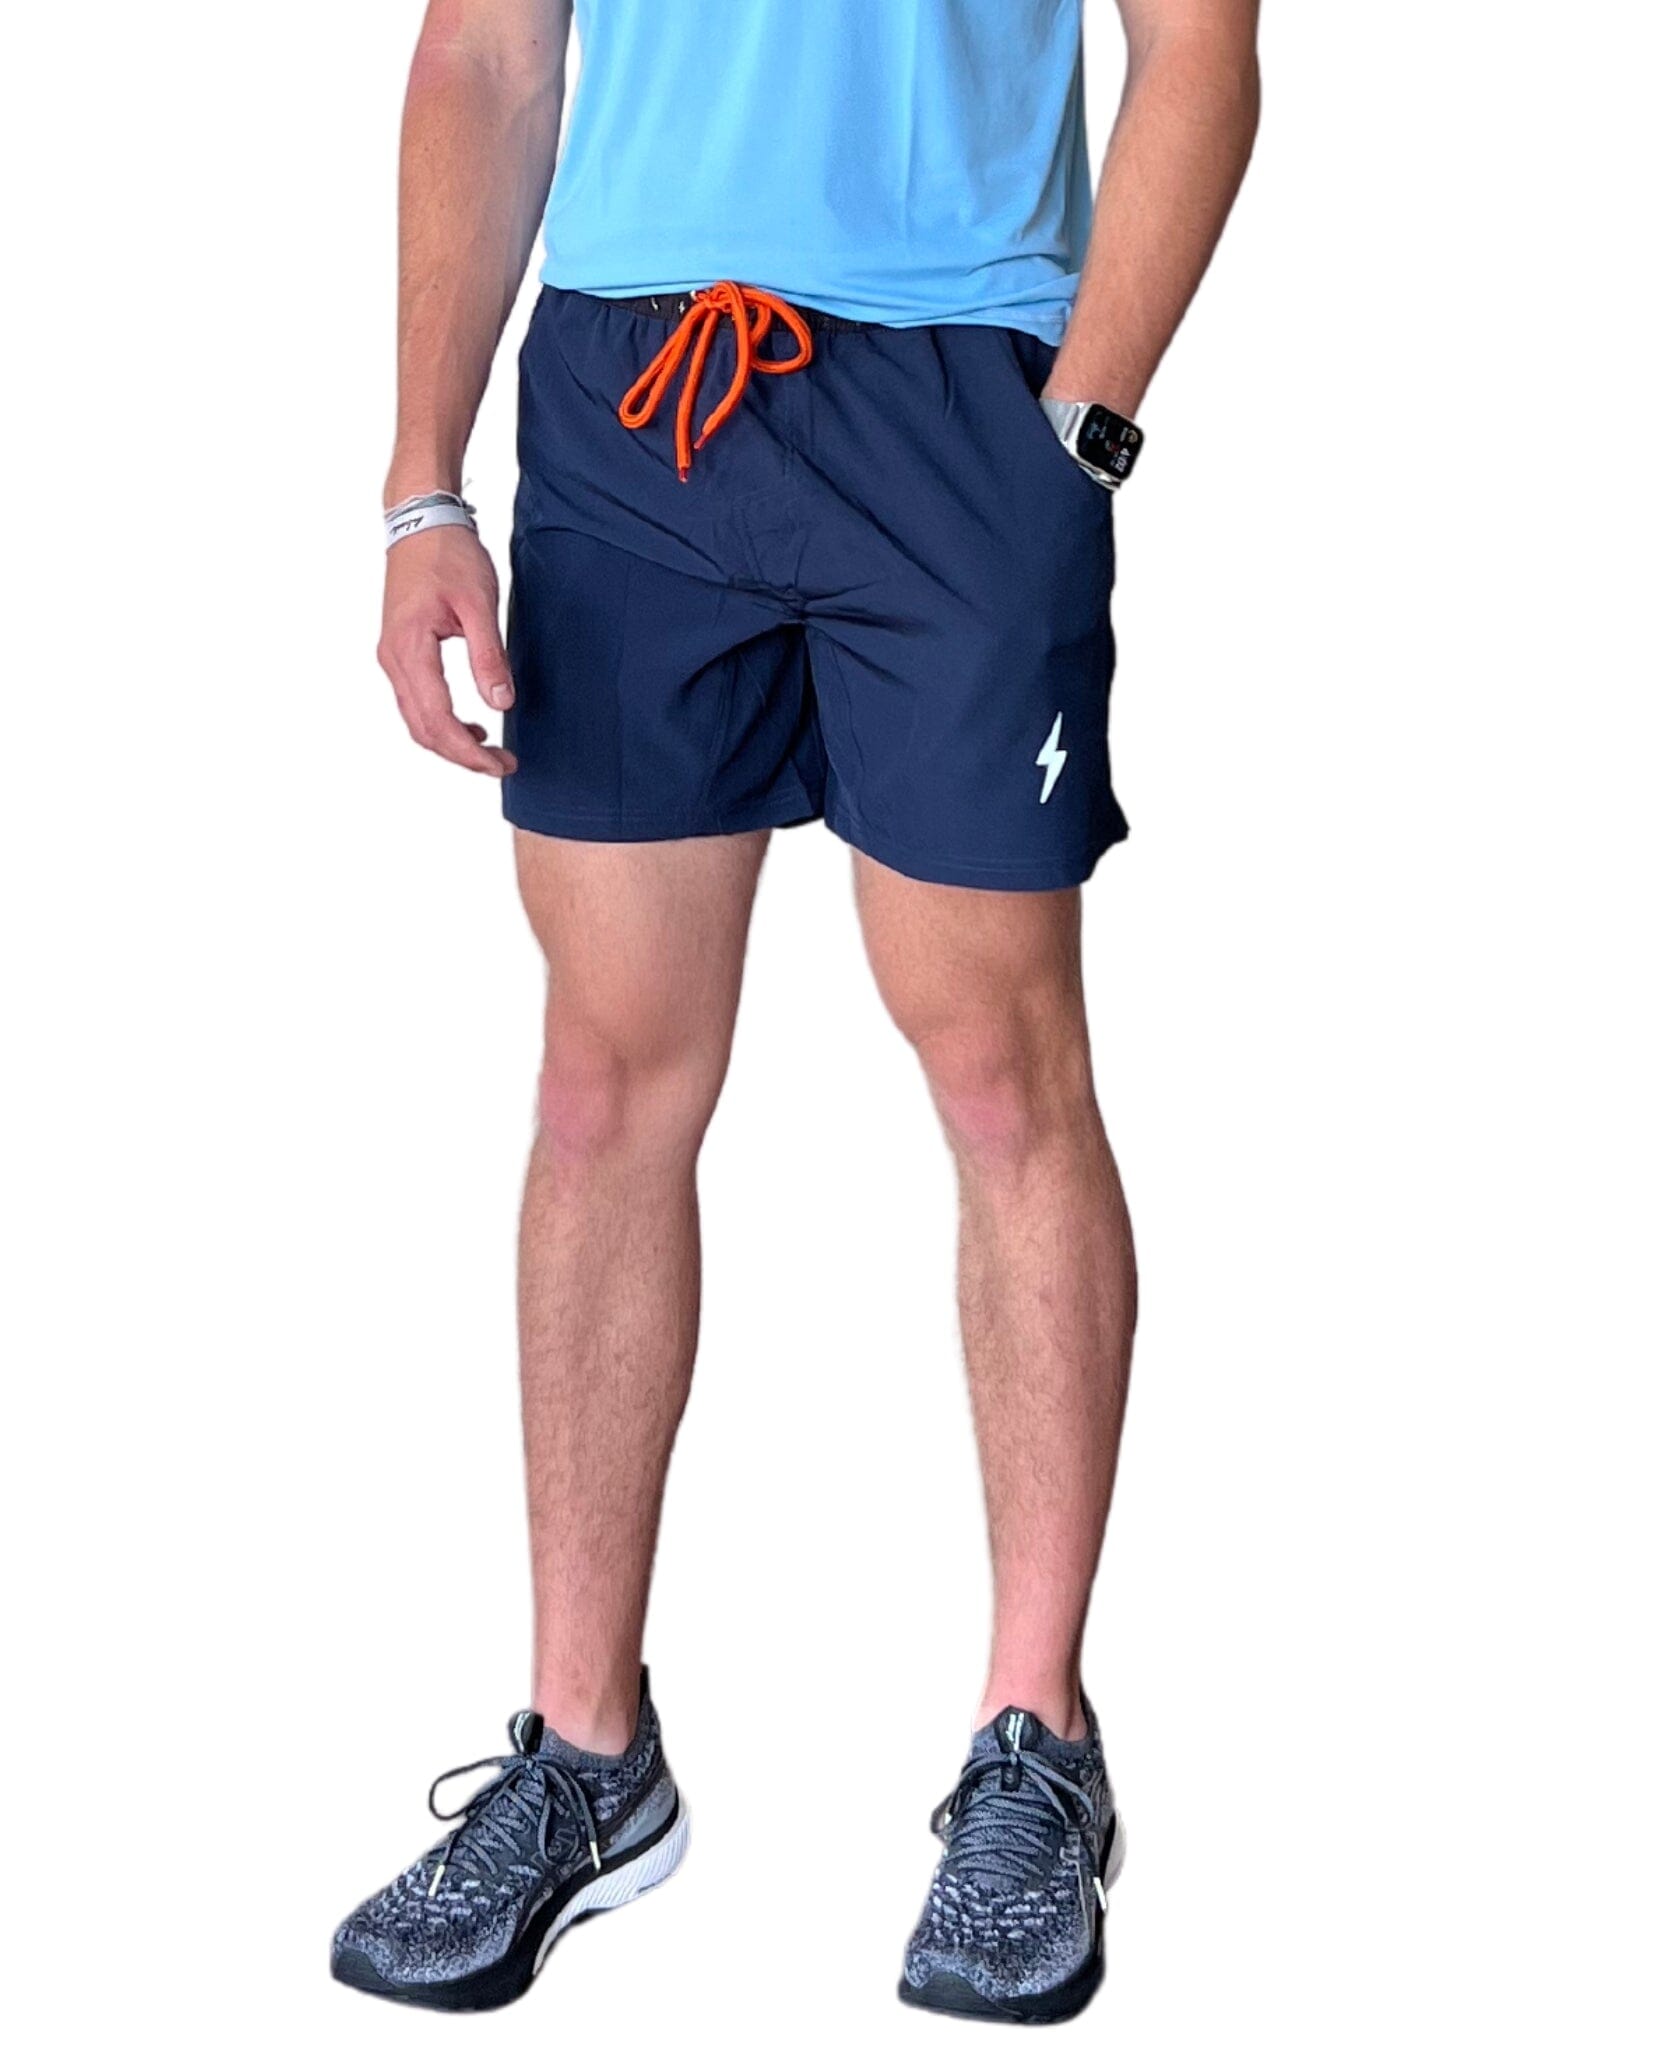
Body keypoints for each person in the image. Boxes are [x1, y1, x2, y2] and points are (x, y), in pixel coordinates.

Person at [331, 0, 1259, 2022]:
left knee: (1000, 1072)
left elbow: (1197, 43)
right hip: (635, 393)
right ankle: (587, 1755)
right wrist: (422, 489)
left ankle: (1035, 1740)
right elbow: (487, 55)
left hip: (960, 393)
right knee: (602, 1085)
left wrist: (1084, 426)